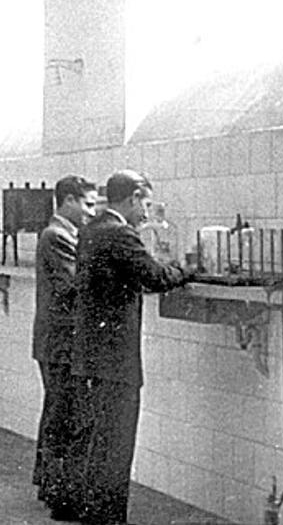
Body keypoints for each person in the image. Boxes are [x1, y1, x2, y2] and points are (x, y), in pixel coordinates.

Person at [71, 170, 190, 525]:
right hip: (115, 360)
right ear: (133, 197)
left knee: (98, 442)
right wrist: (189, 269)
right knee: (117, 444)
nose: (146, 213)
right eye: (146, 204)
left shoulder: (91, 229)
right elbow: (154, 277)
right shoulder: (121, 232)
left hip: (91, 355)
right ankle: (108, 518)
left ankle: (94, 514)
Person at [31, 175, 99, 520]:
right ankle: (60, 492)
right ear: (68, 200)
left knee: (58, 413)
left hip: (57, 342)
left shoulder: (63, 235)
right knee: (66, 416)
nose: (91, 211)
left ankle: (51, 485)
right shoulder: (57, 236)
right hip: (60, 343)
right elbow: (74, 286)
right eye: (87, 204)